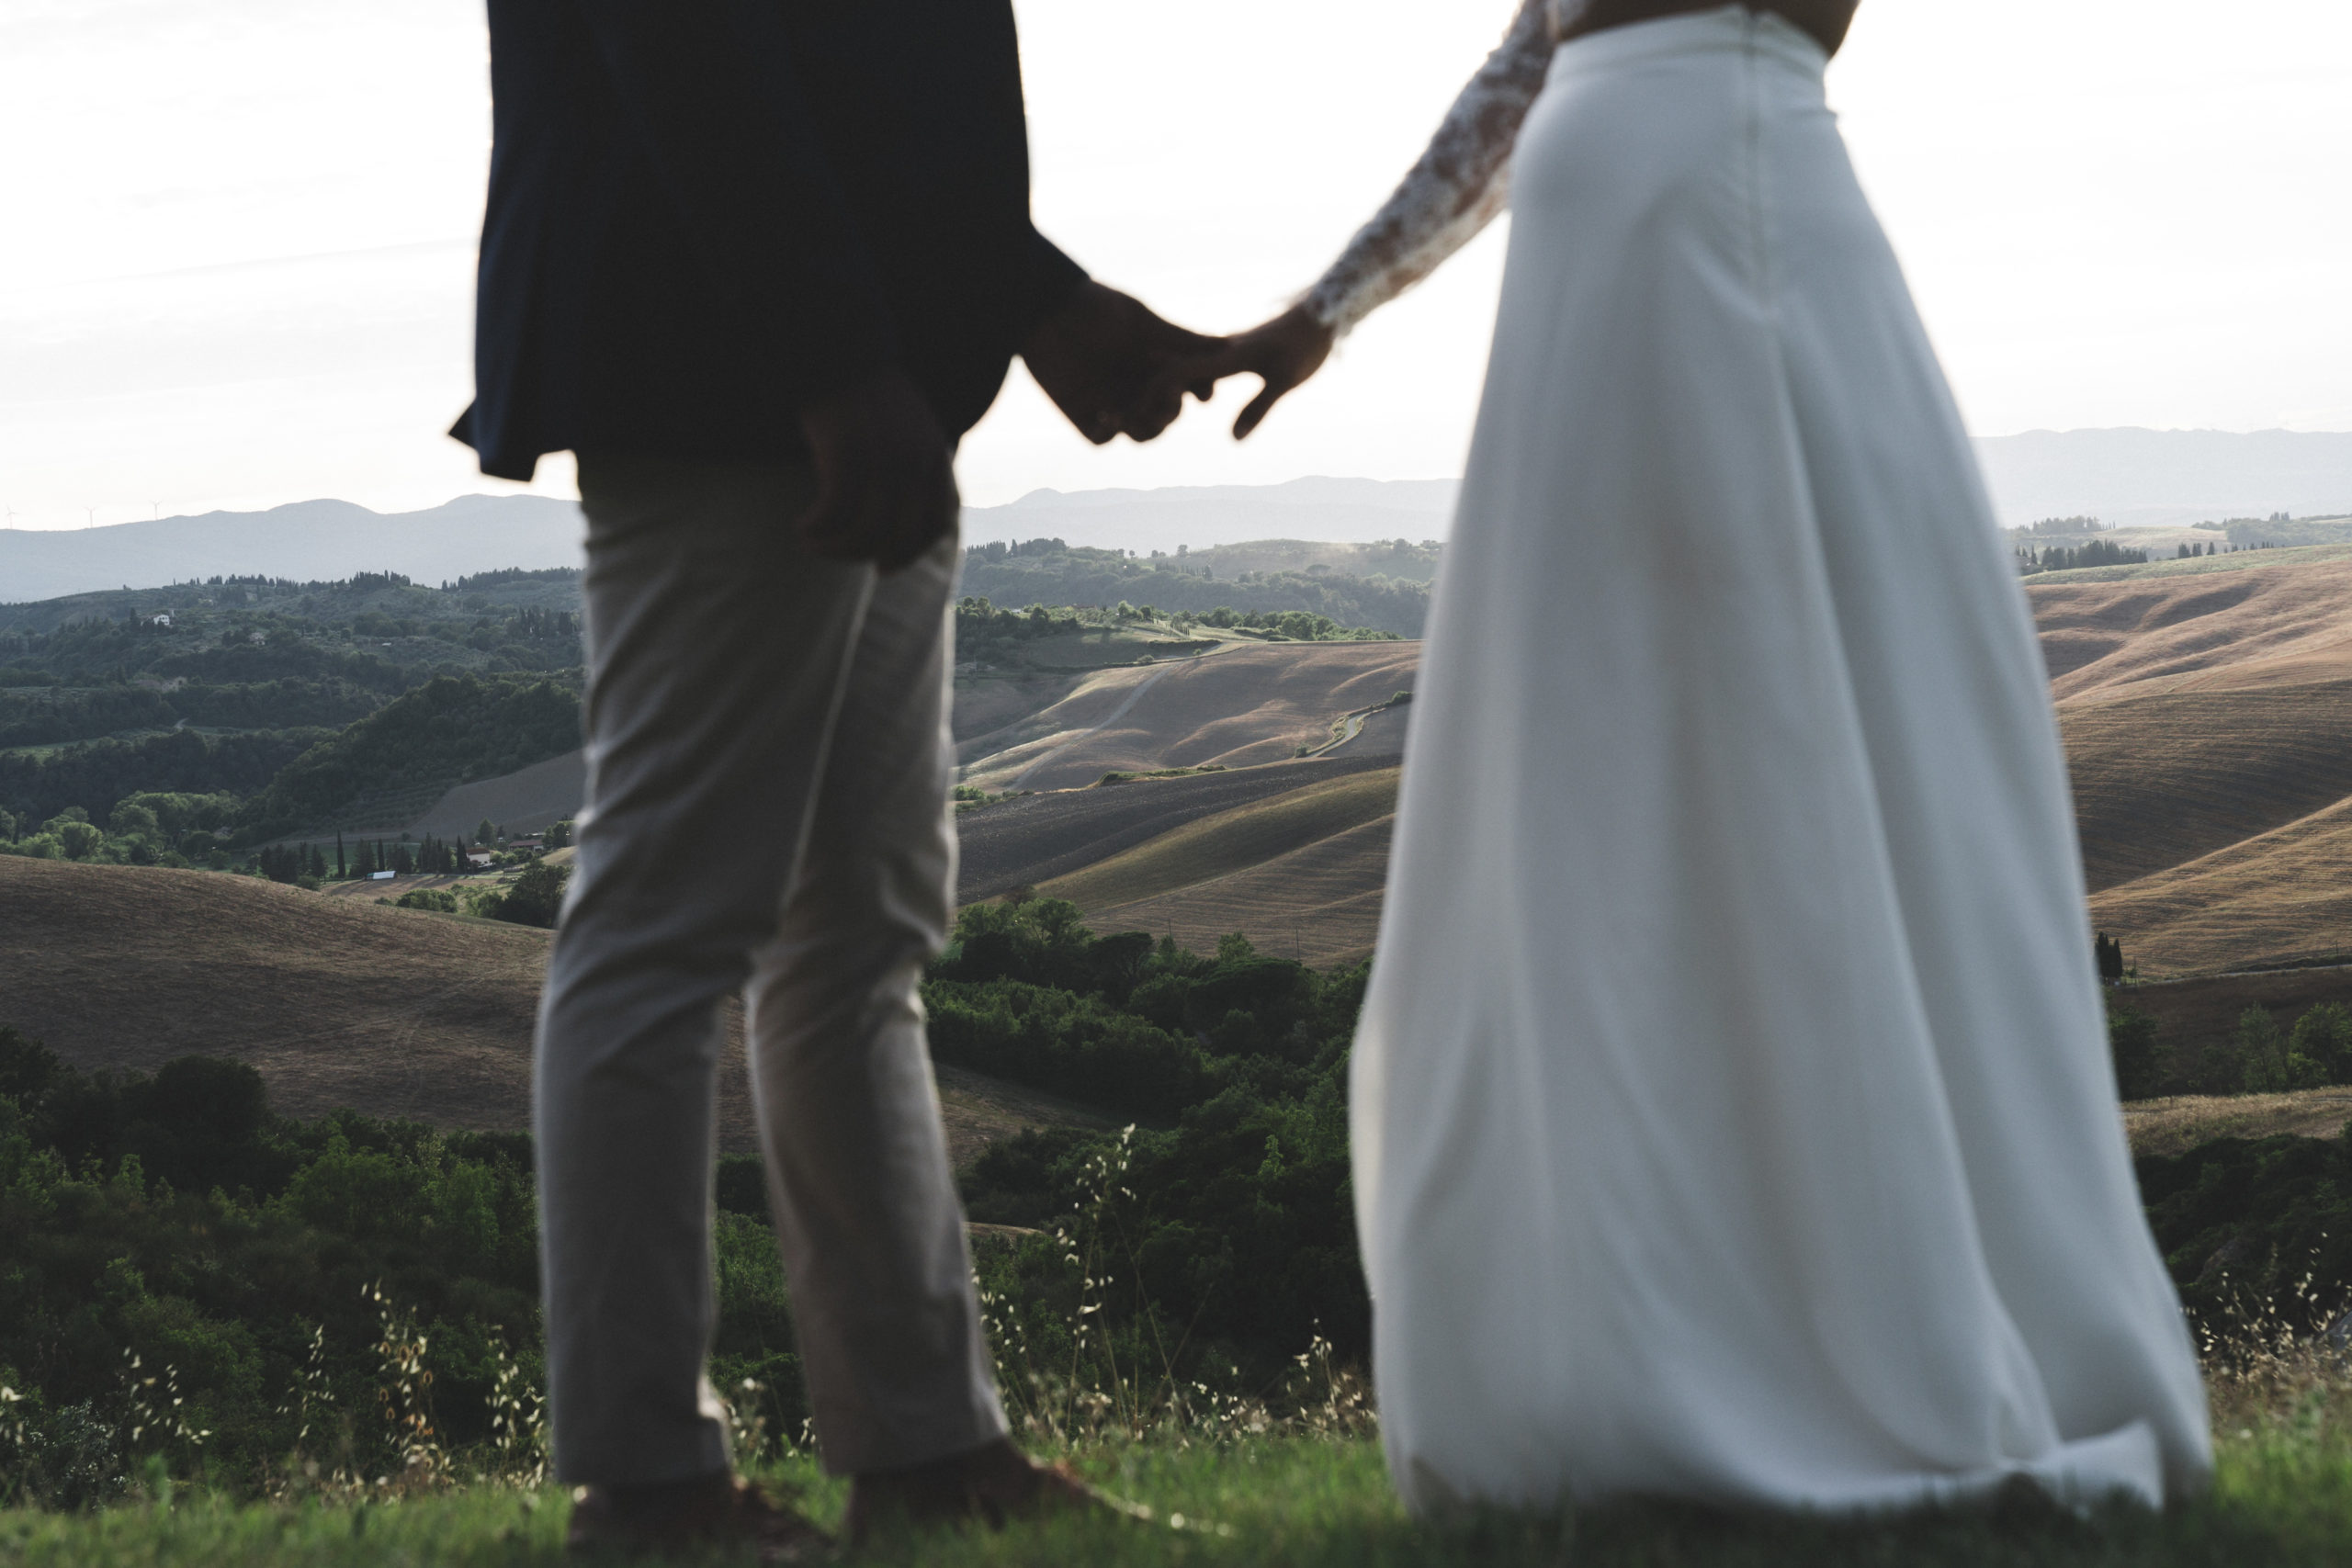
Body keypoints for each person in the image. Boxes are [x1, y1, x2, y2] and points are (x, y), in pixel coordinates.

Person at [1182, 0, 2213, 1514]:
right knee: (1637, 769)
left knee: (1749, 752)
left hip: (1690, 189)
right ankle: (1661, 1337)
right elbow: (1528, 61)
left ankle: (1727, 1333)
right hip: (1632, 209)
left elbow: (1533, 66)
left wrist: (1332, 305)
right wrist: (1328, 307)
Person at [452, 0, 1210, 1554]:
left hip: (866, 368)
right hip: (740, 360)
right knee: (664, 926)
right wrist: (835, 357)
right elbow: (682, 42)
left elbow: (852, 73)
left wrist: (1030, 296)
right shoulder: (797, 353)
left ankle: (926, 1451)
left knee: (857, 931)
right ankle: (648, 1485)